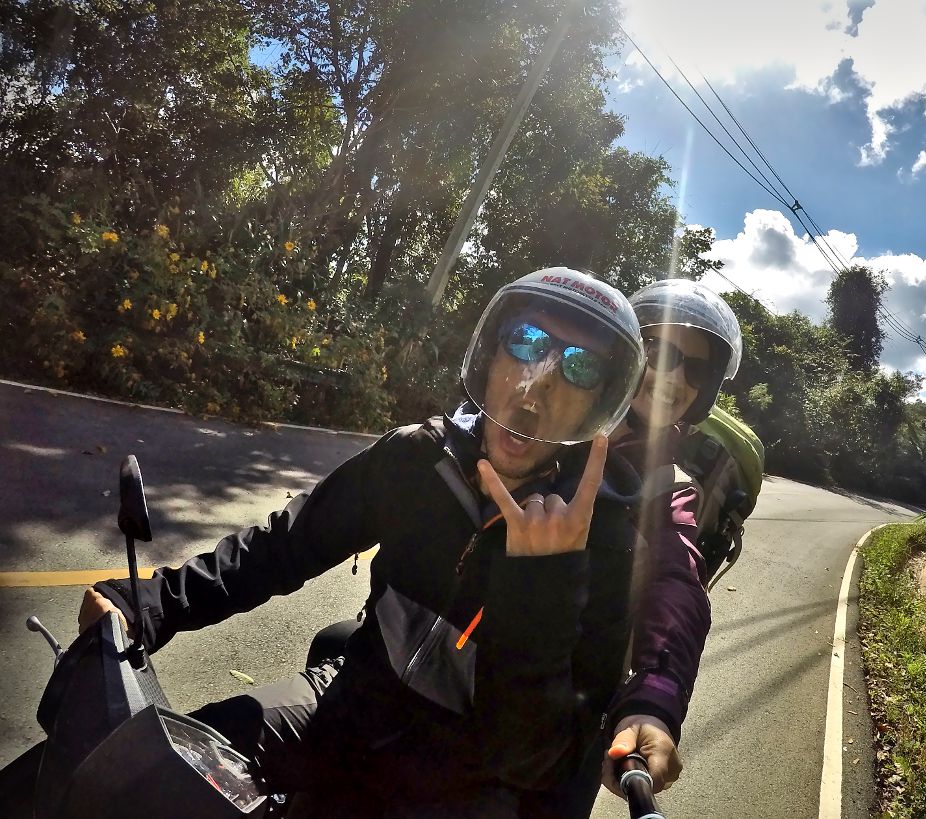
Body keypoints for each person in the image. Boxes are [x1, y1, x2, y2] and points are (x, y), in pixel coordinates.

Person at [73, 268, 648, 816]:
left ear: (599, 406)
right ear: (492, 354)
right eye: (525, 342)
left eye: (578, 366)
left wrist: (541, 583)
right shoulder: (418, 459)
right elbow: (287, 543)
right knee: (156, 772)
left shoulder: (604, 541)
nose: (537, 384)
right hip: (353, 698)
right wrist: (151, 603)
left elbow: (539, 758)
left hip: (470, 779)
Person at [550, 278, 743, 813]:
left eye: (695, 367)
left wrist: (655, 699)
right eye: (659, 351)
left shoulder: (670, 483)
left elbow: (676, 582)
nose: (672, 376)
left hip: (569, 691)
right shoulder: (556, 416)